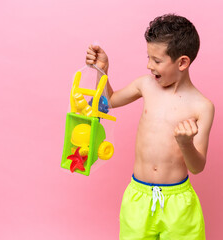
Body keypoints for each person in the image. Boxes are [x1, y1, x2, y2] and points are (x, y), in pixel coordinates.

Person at [86, 14, 215, 240]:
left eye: (156, 60)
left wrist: (185, 143)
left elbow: (197, 167)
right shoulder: (145, 85)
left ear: (182, 62)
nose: (148, 65)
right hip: (139, 198)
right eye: (148, 57)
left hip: (178, 204)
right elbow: (107, 101)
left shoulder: (202, 107)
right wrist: (102, 70)